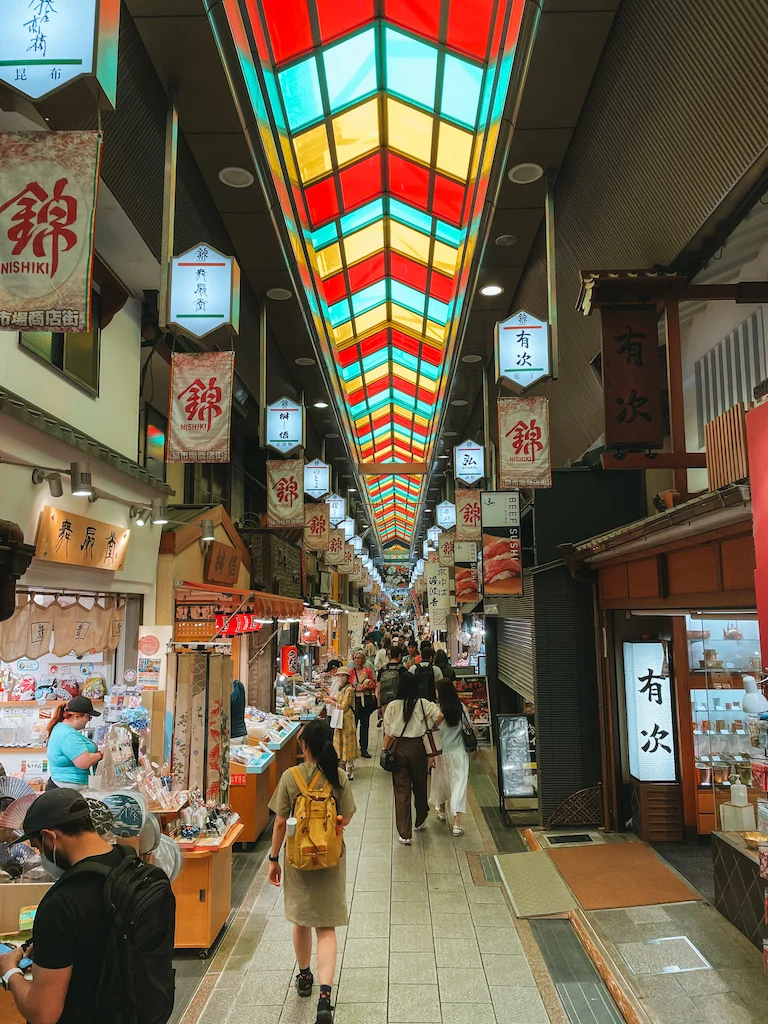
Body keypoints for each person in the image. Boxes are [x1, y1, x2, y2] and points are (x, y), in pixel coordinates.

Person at [0, 788, 175, 1024]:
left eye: (38, 847)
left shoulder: (61, 903)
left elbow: (43, 1012)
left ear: (50, 837)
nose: (41, 854)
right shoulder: (137, 872)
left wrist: (10, 972)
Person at [268, 720, 355, 1024]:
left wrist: (273, 858)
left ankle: (305, 977)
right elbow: (347, 817)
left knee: (301, 918)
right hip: (330, 859)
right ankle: (325, 999)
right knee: (326, 927)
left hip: (298, 859)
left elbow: (280, 823)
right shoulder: (338, 776)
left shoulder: (290, 778)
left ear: (304, 746)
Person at [382, 673, 443, 844]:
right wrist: (429, 727)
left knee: (402, 790)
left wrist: (384, 750)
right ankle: (421, 819)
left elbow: (388, 733)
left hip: (399, 748)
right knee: (420, 784)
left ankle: (404, 833)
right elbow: (440, 716)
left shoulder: (392, 706)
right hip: (418, 748)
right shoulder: (423, 704)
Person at [430, 679, 471, 836]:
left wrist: (431, 755)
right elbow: (469, 727)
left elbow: (432, 732)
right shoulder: (460, 708)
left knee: (441, 781)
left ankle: (441, 809)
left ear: (440, 692)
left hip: (441, 752)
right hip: (459, 752)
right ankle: (457, 823)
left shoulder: (436, 710)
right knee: (458, 785)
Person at [45, 697, 103, 791]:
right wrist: (101, 754)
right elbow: (84, 762)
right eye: (88, 717)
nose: (88, 720)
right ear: (77, 716)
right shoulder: (69, 735)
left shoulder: (61, 728)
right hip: (69, 786)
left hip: (65, 784)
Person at [328, 667, 359, 779]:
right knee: (340, 742)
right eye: (338, 675)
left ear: (347, 677)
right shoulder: (341, 688)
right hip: (339, 719)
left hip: (346, 719)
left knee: (348, 742)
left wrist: (329, 701)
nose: (340, 678)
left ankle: (349, 769)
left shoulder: (349, 689)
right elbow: (336, 698)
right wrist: (324, 697)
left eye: (342, 675)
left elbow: (343, 706)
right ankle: (342, 767)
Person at [349, 650, 376, 758]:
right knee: (353, 725)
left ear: (363, 659)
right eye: (356, 657)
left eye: (359, 657)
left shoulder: (368, 671)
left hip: (365, 700)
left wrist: (367, 686)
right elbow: (348, 683)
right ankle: (352, 748)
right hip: (354, 700)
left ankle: (363, 748)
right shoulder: (351, 671)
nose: (357, 660)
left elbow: (373, 684)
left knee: (365, 725)